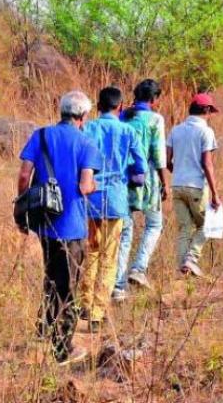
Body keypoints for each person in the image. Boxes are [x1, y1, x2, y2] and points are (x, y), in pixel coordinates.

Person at [17, 91, 101, 365]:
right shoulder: (87, 143)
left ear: (62, 111)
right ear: (83, 116)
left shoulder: (40, 136)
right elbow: (85, 185)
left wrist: (24, 205)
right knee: (67, 286)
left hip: (44, 222)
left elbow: (23, 174)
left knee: (51, 274)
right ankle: (62, 348)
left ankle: (44, 326)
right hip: (72, 226)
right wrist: (95, 186)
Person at [78, 87, 146, 330]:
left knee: (91, 250)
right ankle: (97, 312)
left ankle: (84, 303)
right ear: (120, 107)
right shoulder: (128, 131)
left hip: (90, 198)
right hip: (116, 200)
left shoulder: (87, 128)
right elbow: (140, 167)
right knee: (110, 256)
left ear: (98, 105)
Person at [113, 79, 169, 298]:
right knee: (154, 224)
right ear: (154, 99)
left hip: (122, 181)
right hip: (147, 182)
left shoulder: (123, 116)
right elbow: (158, 155)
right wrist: (165, 183)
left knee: (125, 232)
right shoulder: (155, 119)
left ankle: (118, 286)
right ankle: (138, 268)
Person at [166, 93, 221, 276]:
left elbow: (167, 161)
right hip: (196, 186)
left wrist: (179, 172)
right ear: (206, 110)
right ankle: (191, 258)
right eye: (210, 112)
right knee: (208, 225)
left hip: (177, 185)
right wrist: (215, 193)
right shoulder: (206, 131)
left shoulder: (176, 130)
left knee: (184, 228)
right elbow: (207, 164)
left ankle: (182, 268)